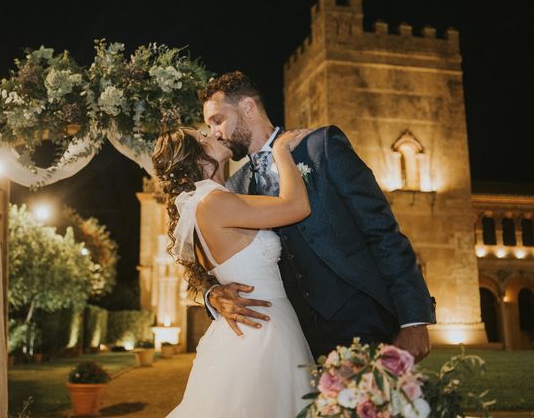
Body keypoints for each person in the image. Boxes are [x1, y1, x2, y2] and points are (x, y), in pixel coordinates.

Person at [200, 71, 436, 362]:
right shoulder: (236, 187)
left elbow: (382, 230)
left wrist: (414, 320)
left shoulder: (320, 146)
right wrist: (211, 295)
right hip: (292, 341)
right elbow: (213, 261)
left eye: (217, 120)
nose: (213, 132)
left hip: (363, 321)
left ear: (248, 107)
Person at [153, 127, 316, 417]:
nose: (213, 134)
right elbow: (297, 206)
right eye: (203, 137)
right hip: (264, 328)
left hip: (255, 323)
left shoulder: (208, 201)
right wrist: (281, 151)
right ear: (198, 160)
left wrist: (213, 293)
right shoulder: (212, 202)